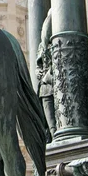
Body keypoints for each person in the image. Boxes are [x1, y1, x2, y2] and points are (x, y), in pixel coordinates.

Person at [36, 9, 56, 140]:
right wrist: (40, 73)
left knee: (56, 123)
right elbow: (39, 64)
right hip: (44, 90)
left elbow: (60, 61)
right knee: (50, 124)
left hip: (55, 85)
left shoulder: (56, 43)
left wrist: (47, 75)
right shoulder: (42, 47)